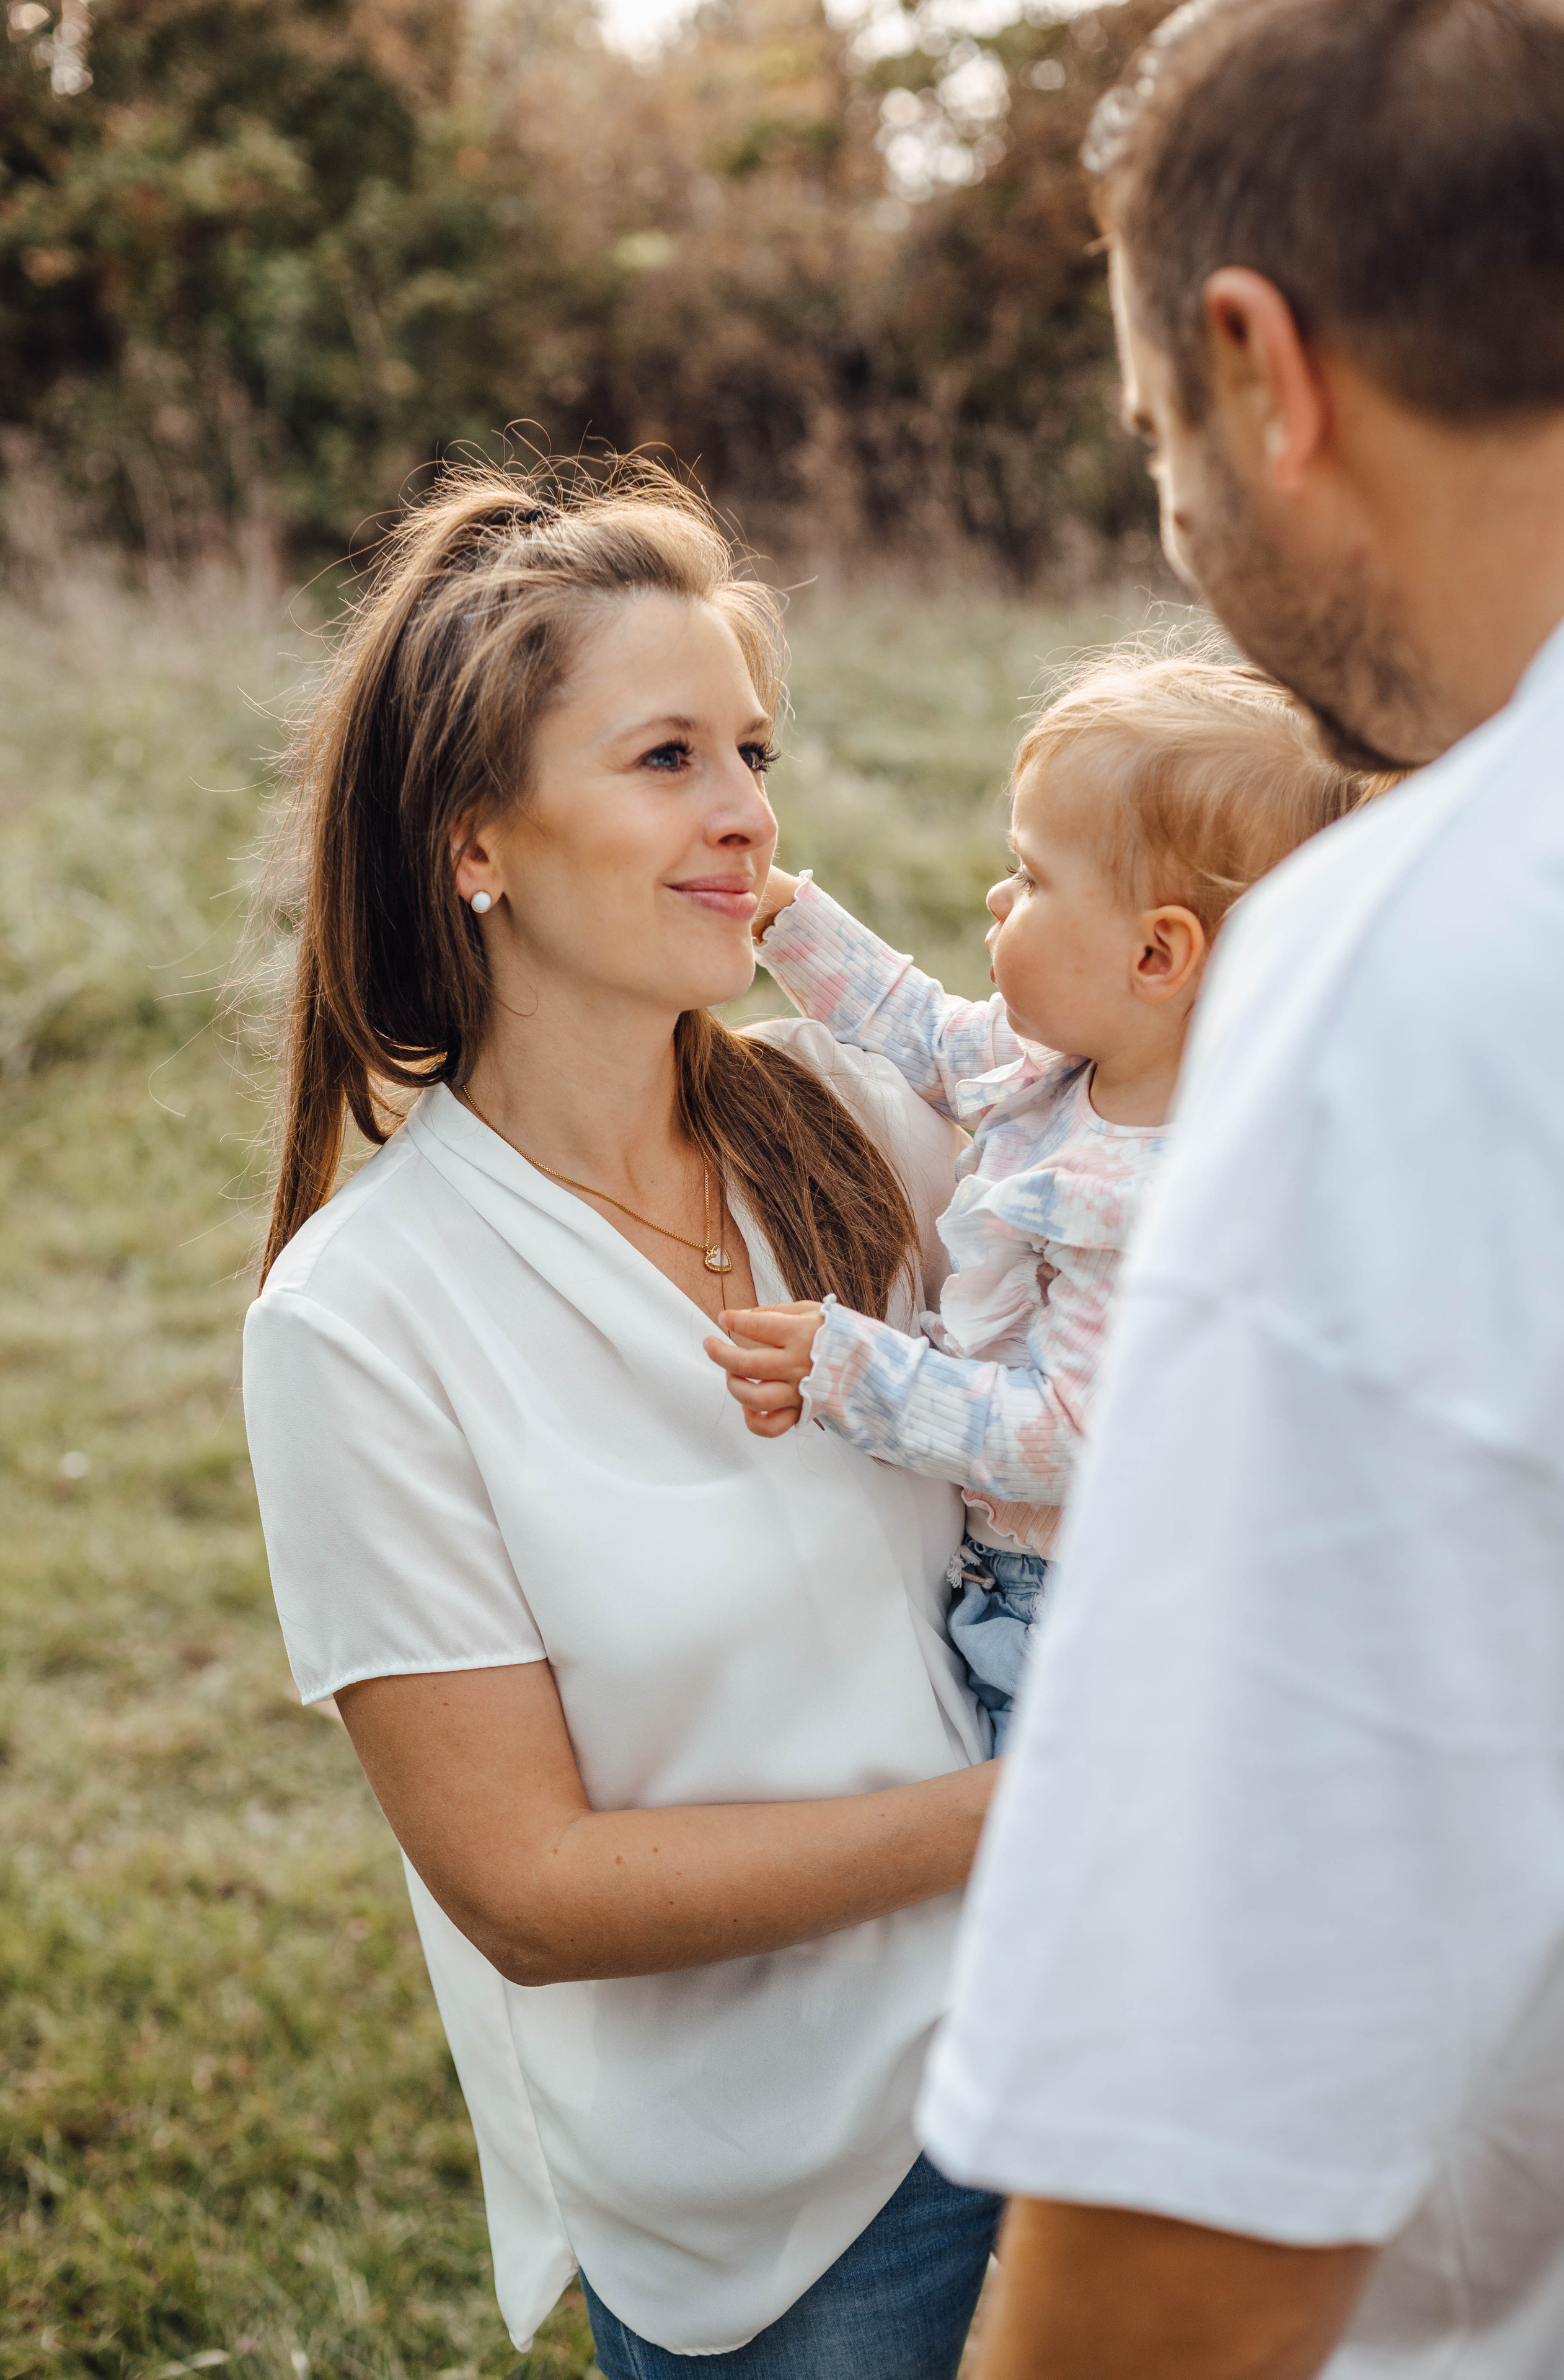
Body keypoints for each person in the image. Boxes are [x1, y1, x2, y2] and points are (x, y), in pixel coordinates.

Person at [915, 2, 1564, 2376]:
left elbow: (1190, 2199)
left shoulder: (1415, 975)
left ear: (1259, 369)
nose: (1172, 524)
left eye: (1149, 443)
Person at [241, 461, 1004, 2380]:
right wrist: (1034, 1820)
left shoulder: (862, 1117)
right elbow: (531, 1889)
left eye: (750, 751)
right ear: (474, 841)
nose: (748, 816)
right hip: (795, 2218)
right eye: (666, 758)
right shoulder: (360, 1322)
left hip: (1065, 2060)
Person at [706, 657, 1385, 1747]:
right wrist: (786, 920)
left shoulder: (1154, 1203)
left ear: (1156, 952)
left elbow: (1067, 1438)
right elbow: (923, 1032)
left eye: (1029, 878)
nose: (996, 897)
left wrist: (857, 1372)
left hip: (1090, 1633)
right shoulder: (1071, 1062)